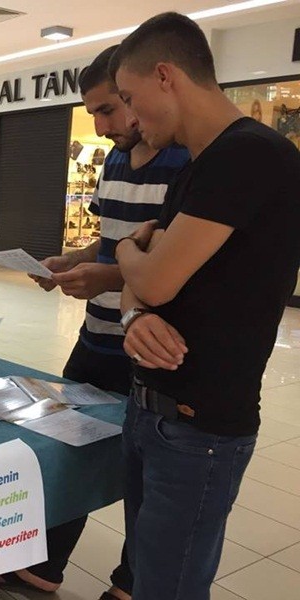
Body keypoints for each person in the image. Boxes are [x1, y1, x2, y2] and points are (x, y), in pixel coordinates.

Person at [109, 13, 300, 599]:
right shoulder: (196, 168)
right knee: (148, 576)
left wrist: (122, 249)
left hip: (200, 426)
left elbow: (155, 274)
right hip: (151, 412)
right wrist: (133, 314)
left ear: (165, 75)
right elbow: (144, 285)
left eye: (129, 99)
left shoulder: (250, 155)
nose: (132, 120)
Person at [20, 45, 190, 599]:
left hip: (149, 348)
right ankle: (41, 568)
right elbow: (115, 240)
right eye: (91, 112)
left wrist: (106, 277)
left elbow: (172, 263)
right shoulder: (115, 160)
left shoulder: (183, 163)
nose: (101, 124)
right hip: (96, 338)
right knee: (70, 449)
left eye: (110, 109)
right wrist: (75, 261)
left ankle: (129, 585)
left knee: (146, 473)